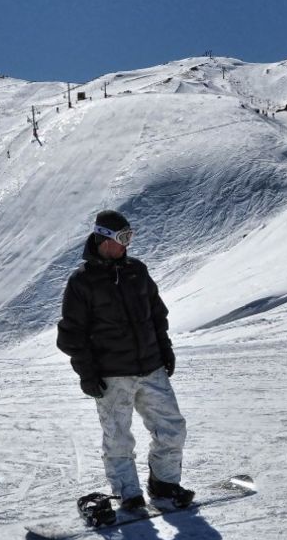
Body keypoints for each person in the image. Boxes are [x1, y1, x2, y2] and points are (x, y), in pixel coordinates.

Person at [57, 210, 192, 510]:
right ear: (104, 238)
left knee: (172, 429)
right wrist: (87, 373)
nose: (127, 244)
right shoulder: (82, 282)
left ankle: (165, 484)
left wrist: (165, 349)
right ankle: (128, 494)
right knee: (118, 439)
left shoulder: (137, 271)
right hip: (112, 375)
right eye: (122, 238)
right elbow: (71, 335)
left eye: (130, 237)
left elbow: (158, 315)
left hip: (151, 367)